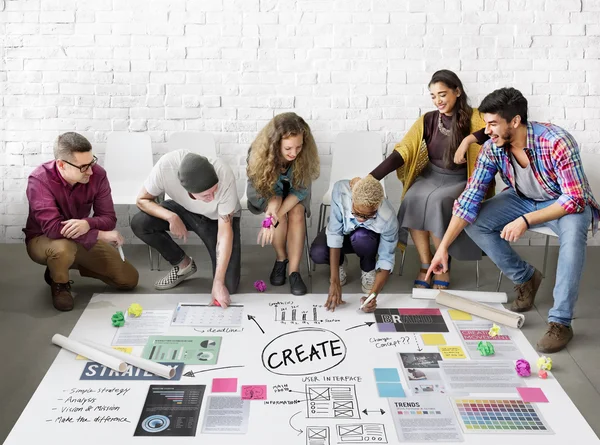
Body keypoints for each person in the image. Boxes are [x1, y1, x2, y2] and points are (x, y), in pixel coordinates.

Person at [427, 87, 600, 353]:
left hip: (562, 203)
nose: (487, 130)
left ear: (515, 121)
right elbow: (469, 200)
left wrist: (526, 221)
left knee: (574, 238)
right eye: (486, 123)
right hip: (522, 198)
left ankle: (560, 322)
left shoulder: (556, 141)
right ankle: (526, 278)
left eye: (493, 123)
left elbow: (575, 198)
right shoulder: (492, 147)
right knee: (475, 221)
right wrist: (442, 250)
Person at [370, 69, 492, 290]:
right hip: (431, 175)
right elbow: (404, 150)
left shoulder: (476, 117)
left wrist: (467, 142)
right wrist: (373, 177)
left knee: (437, 202)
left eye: (442, 94)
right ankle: (427, 264)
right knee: (413, 197)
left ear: (457, 91)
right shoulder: (428, 119)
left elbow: (492, 129)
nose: (438, 101)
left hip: (461, 180)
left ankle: (442, 266)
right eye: (433, 96)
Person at [23, 132, 139, 311]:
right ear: (61, 164)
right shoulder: (39, 180)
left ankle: (60, 265)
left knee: (129, 279)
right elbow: (53, 229)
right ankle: (59, 283)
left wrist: (87, 223)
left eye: (92, 162)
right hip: (43, 238)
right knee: (63, 248)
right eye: (84, 167)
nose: (91, 171)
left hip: (81, 236)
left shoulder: (98, 175)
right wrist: (99, 234)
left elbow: (108, 218)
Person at [131, 150, 241, 307]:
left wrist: (218, 282)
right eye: (206, 195)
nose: (212, 197)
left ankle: (219, 281)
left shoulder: (224, 174)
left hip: (218, 218)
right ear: (189, 192)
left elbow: (224, 232)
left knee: (228, 285)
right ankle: (183, 264)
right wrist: (171, 216)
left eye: (214, 190)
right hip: (183, 209)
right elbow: (142, 200)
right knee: (140, 222)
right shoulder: (165, 167)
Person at [246, 112, 320, 296]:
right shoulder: (258, 154)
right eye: (288, 148)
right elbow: (266, 192)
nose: (294, 153)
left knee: (296, 212)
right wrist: (273, 211)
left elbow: (301, 190)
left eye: (299, 147)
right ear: (275, 144)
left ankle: (294, 271)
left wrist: (274, 217)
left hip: (295, 193)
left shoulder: (304, 156)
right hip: (266, 193)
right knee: (278, 212)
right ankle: (281, 258)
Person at [310, 176, 398, 312]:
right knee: (318, 252)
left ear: (378, 205)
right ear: (352, 199)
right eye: (356, 213)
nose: (361, 219)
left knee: (361, 236)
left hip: (366, 241)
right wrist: (335, 281)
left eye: (368, 216)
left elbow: (386, 259)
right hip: (343, 235)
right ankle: (339, 263)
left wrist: (372, 296)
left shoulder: (388, 218)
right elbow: (334, 233)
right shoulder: (340, 191)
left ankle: (368, 268)